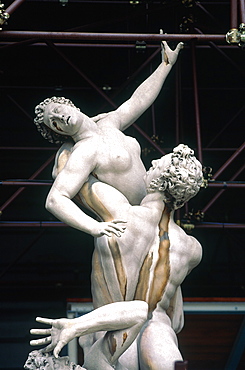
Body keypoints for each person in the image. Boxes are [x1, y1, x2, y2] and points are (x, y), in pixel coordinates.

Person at [30, 144, 203, 370]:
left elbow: (65, 176)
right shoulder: (191, 249)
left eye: (156, 164)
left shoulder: (118, 210)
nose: (150, 164)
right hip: (159, 331)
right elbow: (177, 321)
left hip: (112, 330)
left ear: (158, 179)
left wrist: (73, 144)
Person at [33, 41, 183, 238]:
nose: (59, 118)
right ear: (59, 132)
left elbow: (139, 100)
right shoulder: (85, 151)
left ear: (68, 104)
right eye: (54, 123)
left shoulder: (109, 122)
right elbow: (54, 199)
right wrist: (93, 227)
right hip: (137, 224)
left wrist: (165, 66)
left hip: (160, 213)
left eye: (57, 111)